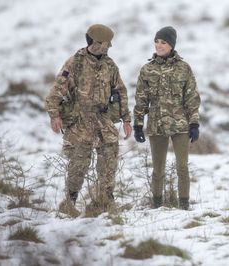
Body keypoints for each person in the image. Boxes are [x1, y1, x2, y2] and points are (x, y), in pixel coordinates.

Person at [45, 24, 132, 217]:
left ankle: (105, 201)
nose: (108, 47)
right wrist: (54, 115)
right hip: (80, 121)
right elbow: (56, 91)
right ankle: (69, 202)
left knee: (109, 160)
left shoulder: (110, 65)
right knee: (79, 163)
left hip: (103, 120)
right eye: (106, 44)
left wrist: (126, 119)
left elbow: (120, 92)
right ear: (95, 42)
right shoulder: (74, 63)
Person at [133, 26, 201, 210]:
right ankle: (156, 206)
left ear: (171, 45)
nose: (158, 45)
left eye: (163, 42)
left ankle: (184, 206)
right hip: (156, 126)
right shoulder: (147, 70)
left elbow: (192, 98)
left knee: (182, 168)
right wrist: (138, 124)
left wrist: (194, 123)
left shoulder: (184, 68)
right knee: (158, 171)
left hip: (180, 125)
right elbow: (141, 99)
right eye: (156, 41)